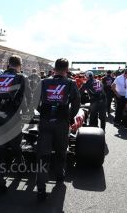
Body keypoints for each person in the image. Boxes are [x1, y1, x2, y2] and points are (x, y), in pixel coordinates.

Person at [35, 58, 80, 201]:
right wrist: (70, 117)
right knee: (61, 152)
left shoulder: (44, 82)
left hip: (45, 121)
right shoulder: (70, 83)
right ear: (66, 69)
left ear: (54, 68)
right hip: (61, 122)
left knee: (43, 155)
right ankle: (59, 176)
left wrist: (43, 112)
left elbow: (35, 101)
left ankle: (41, 188)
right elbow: (76, 103)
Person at [0, 55, 32, 193]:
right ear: (19, 65)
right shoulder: (21, 77)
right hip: (13, 117)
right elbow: (29, 97)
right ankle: (21, 168)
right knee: (16, 146)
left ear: (9, 64)